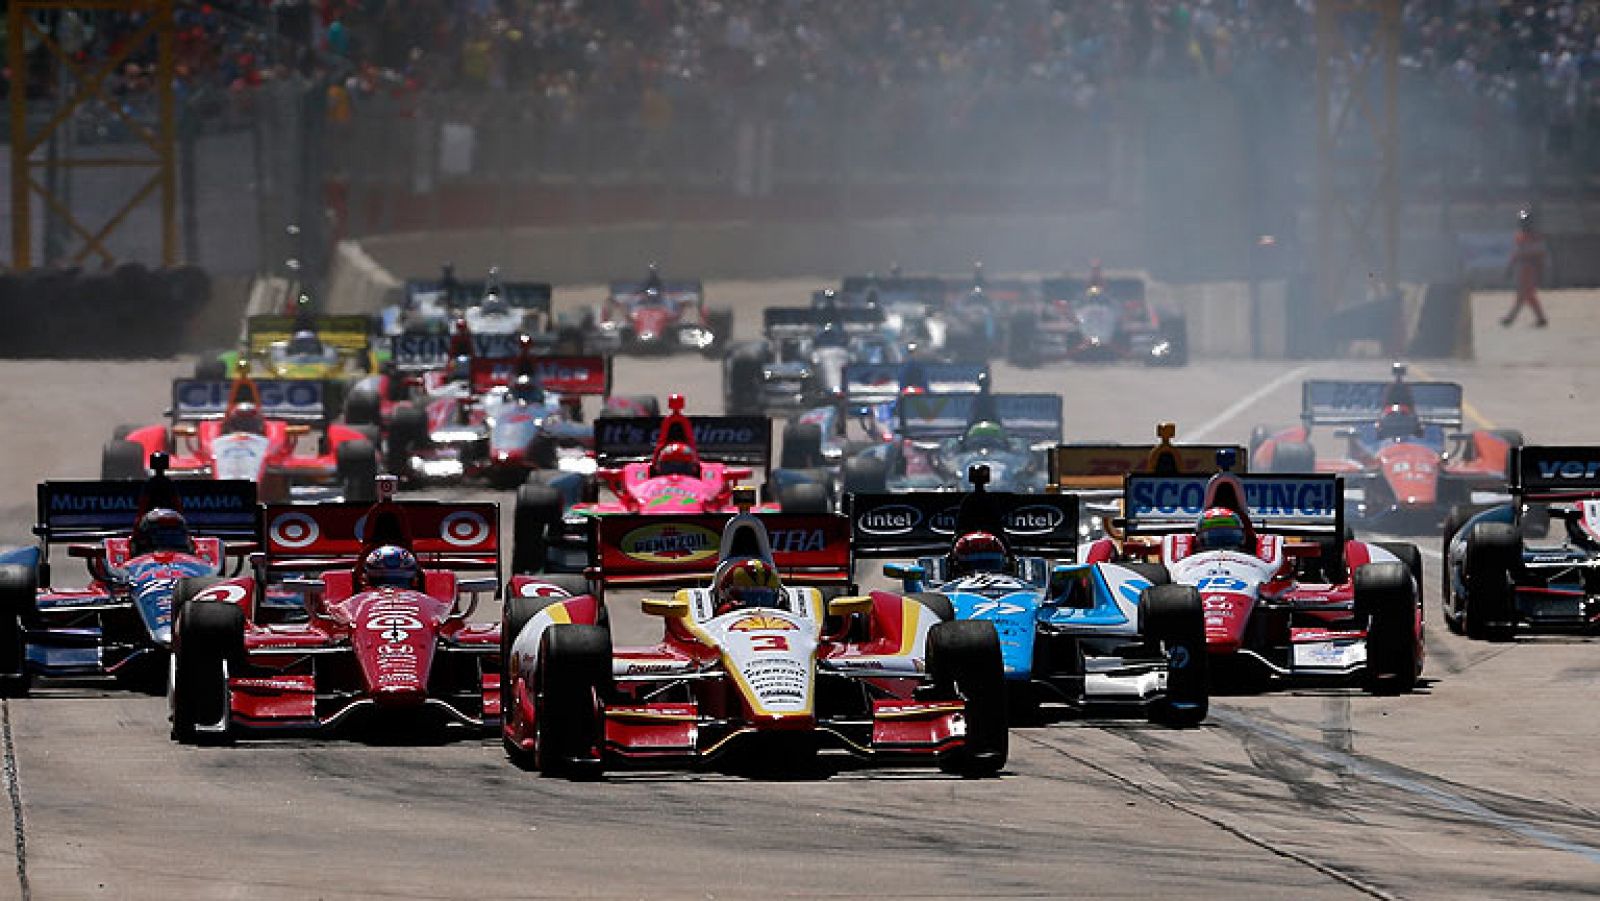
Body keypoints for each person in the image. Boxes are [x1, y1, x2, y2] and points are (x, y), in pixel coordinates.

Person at [1503, 209, 1550, 327]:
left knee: (1525, 294)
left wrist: (1541, 270)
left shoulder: (1536, 237)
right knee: (1527, 295)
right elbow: (1515, 254)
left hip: (1531, 268)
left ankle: (1511, 318)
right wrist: (1510, 267)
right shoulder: (1519, 236)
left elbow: (1540, 255)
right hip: (1522, 268)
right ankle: (1540, 318)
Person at [712, 557, 783, 614]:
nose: (758, 599)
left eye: (765, 593)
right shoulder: (726, 611)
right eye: (748, 592)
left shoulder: (782, 611)